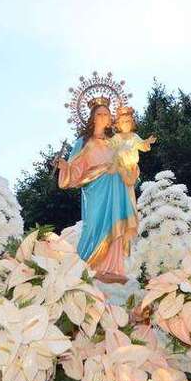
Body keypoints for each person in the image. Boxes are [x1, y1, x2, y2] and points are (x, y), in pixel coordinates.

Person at [57, 98, 138, 283]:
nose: (103, 117)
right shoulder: (84, 142)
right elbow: (74, 170)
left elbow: (127, 163)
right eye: (99, 114)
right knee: (93, 226)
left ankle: (114, 269)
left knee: (116, 225)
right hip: (95, 190)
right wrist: (65, 168)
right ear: (93, 118)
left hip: (116, 188)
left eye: (107, 114)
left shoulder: (115, 142)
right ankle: (87, 267)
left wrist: (131, 167)